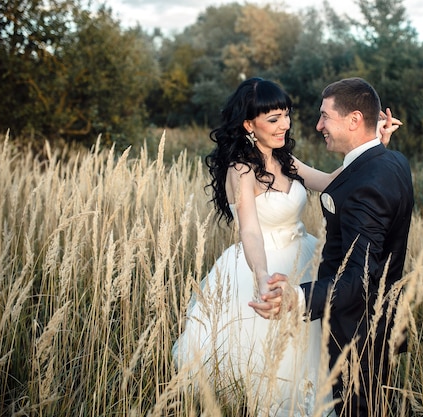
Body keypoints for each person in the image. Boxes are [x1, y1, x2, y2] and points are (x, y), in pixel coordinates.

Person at [171, 77, 401, 416]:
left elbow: (333, 182)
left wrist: (375, 143)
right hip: (262, 263)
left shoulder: (286, 159)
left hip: (304, 259)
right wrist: (262, 274)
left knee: (311, 350)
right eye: (273, 118)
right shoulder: (241, 169)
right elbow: (249, 231)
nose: (285, 125)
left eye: (286, 115)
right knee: (266, 365)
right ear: (250, 124)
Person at [250, 78, 414, 417]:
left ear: (354, 120)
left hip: (357, 327)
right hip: (376, 317)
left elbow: (360, 277)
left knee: (359, 407)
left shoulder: (368, 182)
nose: (317, 124)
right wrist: (379, 143)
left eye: (325, 116)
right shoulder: (394, 161)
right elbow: (345, 181)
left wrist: (297, 298)